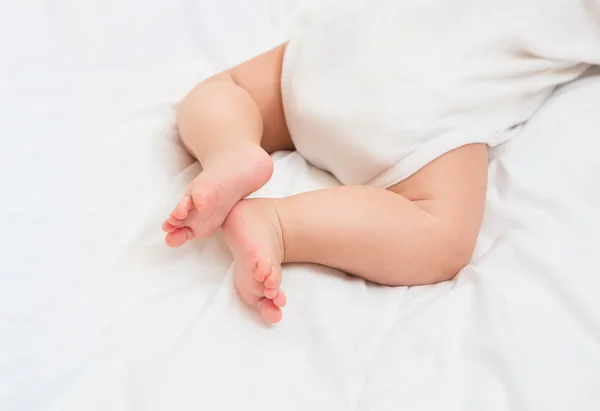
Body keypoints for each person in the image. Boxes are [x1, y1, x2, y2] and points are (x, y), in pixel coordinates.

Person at [162, 0, 600, 323]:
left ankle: (230, 147)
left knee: (226, 89)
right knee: (440, 236)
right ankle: (280, 225)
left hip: (349, 48)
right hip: (432, 98)